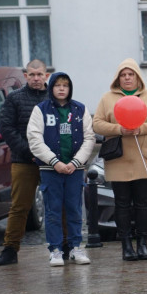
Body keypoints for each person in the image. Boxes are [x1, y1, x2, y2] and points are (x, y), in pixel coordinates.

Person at [92, 60, 147, 262]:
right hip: (118, 159)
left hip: (145, 159)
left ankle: (142, 243)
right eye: (123, 75)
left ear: (137, 77)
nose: (127, 78)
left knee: (143, 204)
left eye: (131, 74)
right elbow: (97, 124)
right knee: (122, 204)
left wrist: (140, 128)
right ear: (118, 78)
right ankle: (126, 245)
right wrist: (119, 129)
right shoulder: (107, 98)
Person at [26, 72, 96, 266]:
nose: (61, 88)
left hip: (75, 170)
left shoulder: (80, 109)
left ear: (70, 88)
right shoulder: (41, 110)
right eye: (57, 85)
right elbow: (34, 139)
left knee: (74, 209)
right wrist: (54, 161)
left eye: (65, 85)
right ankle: (55, 249)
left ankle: (75, 247)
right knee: (52, 211)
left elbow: (89, 138)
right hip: (50, 170)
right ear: (51, 88)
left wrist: (75, 162)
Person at [0, 60, 48, 266]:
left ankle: (66, 246)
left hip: (51, 161)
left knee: (58, 205)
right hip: (23, 160)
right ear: (26, 76)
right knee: (19, 207)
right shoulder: (14, 98)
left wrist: (48, 154)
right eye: (32, 74)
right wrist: (29, 152)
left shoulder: (54, 97)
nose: (36, 78)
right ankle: (10, 250)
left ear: (46, 75)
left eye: (39, 74)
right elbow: (7, 129)